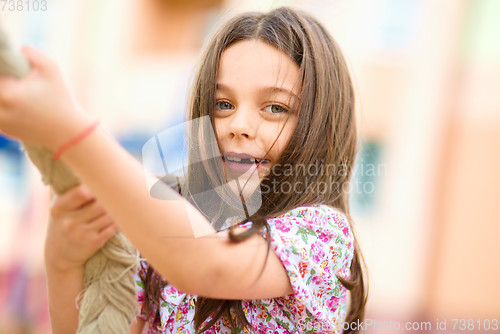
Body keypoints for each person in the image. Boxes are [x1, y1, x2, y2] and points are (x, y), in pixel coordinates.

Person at [0, 6, 367, 334]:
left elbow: (204, 265)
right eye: (223, 103)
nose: (238, 124)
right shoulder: (173, 218)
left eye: (275, 108)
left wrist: (70, 131)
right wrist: (63, 261)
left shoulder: (323, 235)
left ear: (321, 125)